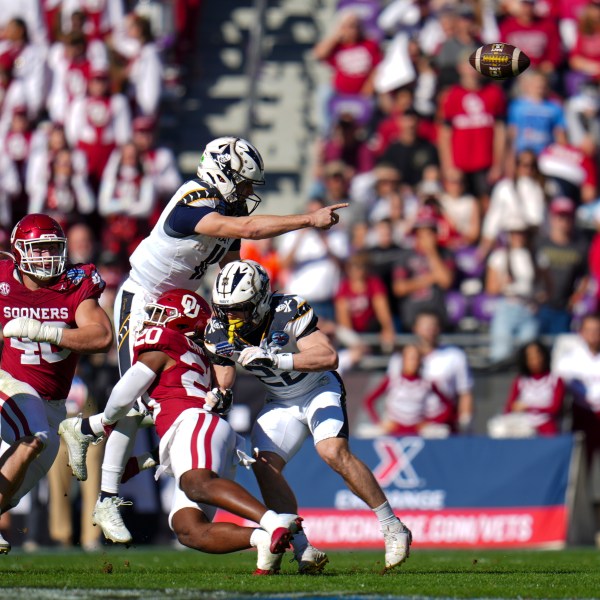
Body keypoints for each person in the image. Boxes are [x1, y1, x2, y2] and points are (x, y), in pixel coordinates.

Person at [61, 136, 347, 545]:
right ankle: (104, 486)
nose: (248, 194)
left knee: (193, 398)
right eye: (244, 184)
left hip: (187, 306)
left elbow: (232, 273)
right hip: (144, 300)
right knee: (142, 395)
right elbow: (249, 227)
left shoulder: (226, 213)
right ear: (222, 174)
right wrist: (308, 219)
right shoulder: (191, 202)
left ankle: (121, 452)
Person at [59, 289, 301, 574]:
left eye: (163, 316)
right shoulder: (195, 355)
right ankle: (262, 541)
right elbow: (162, 420)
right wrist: (142, 461)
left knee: (195, 483)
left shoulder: (167, 342)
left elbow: (124, 394)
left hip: (194, 423)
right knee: (188, 530)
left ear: (185, 324)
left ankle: (272, 523)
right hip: (201, 430)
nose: (154, 322)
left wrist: (94, 424)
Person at [204, 259, 412, 572]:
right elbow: (224, 371)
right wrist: (221, 394)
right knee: (264, 466)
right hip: (280, 400)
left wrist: (277, 358)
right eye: (225, 309)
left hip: (317, 389)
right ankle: (303, 549)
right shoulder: (218, 327)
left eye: (238, 308)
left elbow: (328, 356)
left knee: (332, 452)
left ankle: (392, 526)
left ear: (259, 301)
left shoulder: (287, 309)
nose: (229, 317)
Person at [0, 213, 113, 554]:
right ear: (19, 252)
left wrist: (44, 331)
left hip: (53, 403)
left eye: (53, 248)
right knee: (33, 437)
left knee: (11, 493)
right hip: (10, 383)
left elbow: (102, 335)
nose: (47, 256)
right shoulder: (3, 280)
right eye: (38, 248)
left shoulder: (76, 282)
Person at [363, 344, 454, 436]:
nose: (413, 362)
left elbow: (448, 406)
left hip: (419, 432)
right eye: (410, 358)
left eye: (416, 358)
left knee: (443, 432)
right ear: (403, 360)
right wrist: (380, 423)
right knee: (364, 432)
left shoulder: (427, 383)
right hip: (393, 430)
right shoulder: (393, 380)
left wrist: (430, 422)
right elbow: (369, 401)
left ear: (420, 361)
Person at [411, 310, 474, 433]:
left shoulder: (454, 355)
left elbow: (465, 392)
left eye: (433, 326)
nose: (429, 330)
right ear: (415, 329)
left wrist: (465, 421)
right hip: (409, 423)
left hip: (442, 422)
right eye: (425, 326)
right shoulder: (401, 358)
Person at [498, 340, 565, 436]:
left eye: (538, 355)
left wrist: (528, 408)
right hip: (522, 424)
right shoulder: (520, 381)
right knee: (499, 429)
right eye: (530, 357)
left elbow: (555, 408)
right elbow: (509, 407)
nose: (535, 360)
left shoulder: (555, 380)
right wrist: (514, 409)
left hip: (546, 423)